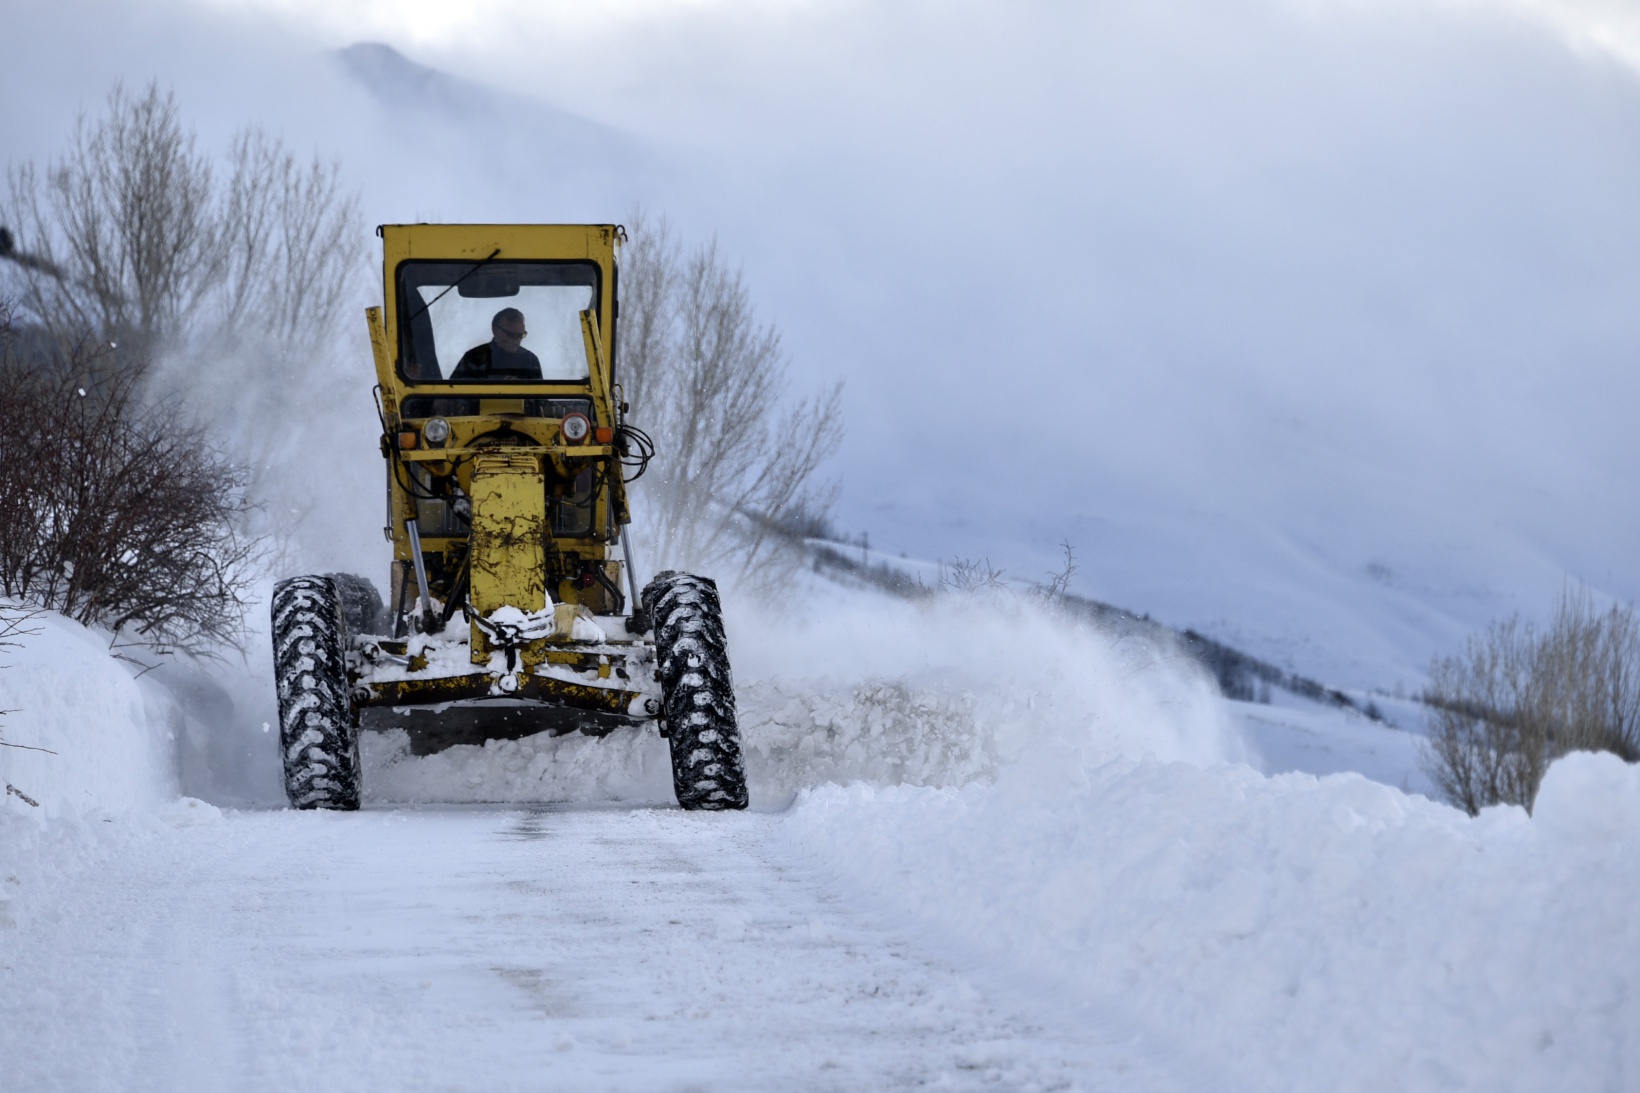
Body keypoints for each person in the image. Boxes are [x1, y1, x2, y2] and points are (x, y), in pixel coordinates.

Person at [451, 307, 542, 380]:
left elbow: (540, 399)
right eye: (511, 335)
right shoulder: (473, 358)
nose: (517, 340)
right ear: (495, 330)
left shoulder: (530, 360)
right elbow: (453, 395)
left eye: (521, 335)